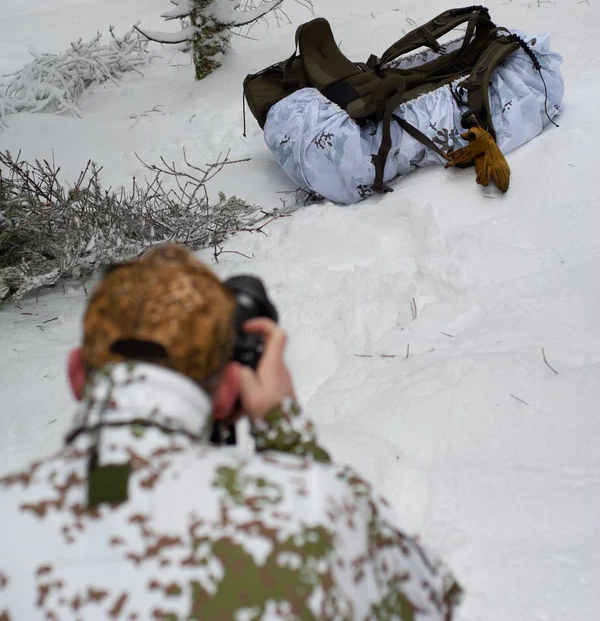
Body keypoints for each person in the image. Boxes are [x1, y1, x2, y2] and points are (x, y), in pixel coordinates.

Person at [0, 244, 461, 620]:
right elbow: (428, 602)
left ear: (77, 374)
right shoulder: (316, 512)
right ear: (227, 391)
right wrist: (286, 437)